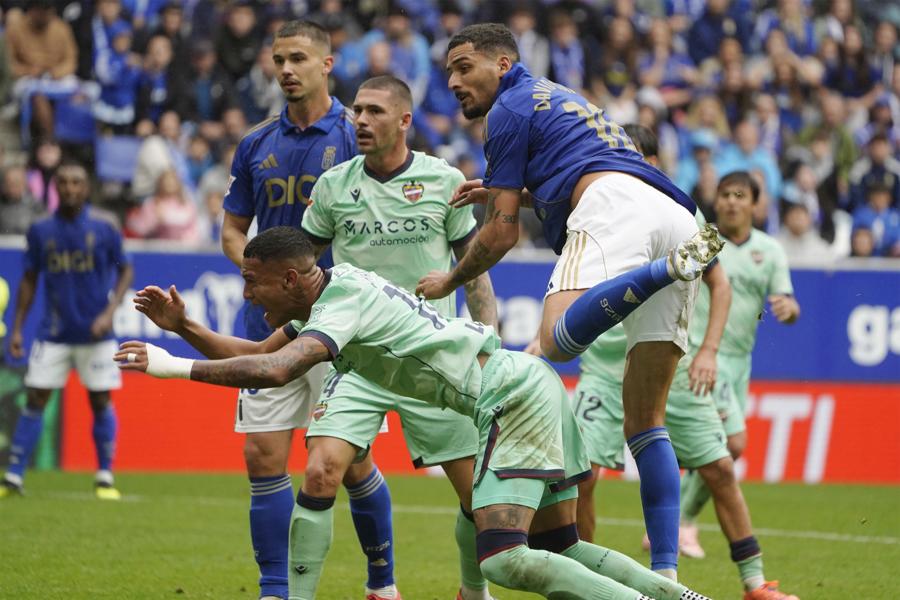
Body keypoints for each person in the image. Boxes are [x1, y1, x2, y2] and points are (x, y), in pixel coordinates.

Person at [118, 225, 717, 600]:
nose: (248, 294)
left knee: (504, 558)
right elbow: (255, 353)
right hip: (528, 384)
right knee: (560, 547)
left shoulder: (342, 301)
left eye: (254, 282)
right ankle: (679, 597)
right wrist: (184, 328)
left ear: (293, 277)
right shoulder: (332, 293)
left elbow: (276, 372)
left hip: (509, 398)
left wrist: (170, 367)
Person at [415, 22, 721, 579]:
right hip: (675, 214)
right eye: (449, 71)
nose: (453, 81)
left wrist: (450, 280)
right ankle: (667, 578)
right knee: (647, 423)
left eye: (463, 67)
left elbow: (500, 234)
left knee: (554, 341)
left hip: (614, 207)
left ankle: (659, 272)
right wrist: (521, 195)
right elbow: (575, 169)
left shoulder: (506, 111)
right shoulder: (558, 94)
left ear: (502, 64)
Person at [298, 75, 498, 600]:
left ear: (405, 120)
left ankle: (472, 592)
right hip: (358, 362)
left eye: (375, 111)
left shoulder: (443, 180)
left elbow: (474, 273)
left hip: (433, 360)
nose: (361, 120)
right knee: (320, 471)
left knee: (479, 499)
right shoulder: (333, 187)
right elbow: (300, 272)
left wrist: (489, 345)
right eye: (357, 111)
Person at [219, 20, 395, 600]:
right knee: (262, 456)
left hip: (339, 327)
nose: (286, 69)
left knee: (344, 461)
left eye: (298, 57)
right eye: (278, 60)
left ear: (327, 63)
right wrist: (260, 278)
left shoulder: (356, 133)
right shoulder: (256, 143)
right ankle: (275, 590)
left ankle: (382, 580)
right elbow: (233, 229)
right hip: (269, 324)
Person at [675, 172, 800, 599]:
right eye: (725, 195)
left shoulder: (770, 250)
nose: (731, 202)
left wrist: (789, 308)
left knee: (723, 450)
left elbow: (789, 301)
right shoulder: (705, 240)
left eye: (740, 195)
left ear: (754, 204)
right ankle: (682, 523)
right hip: (700, 354)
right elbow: (674, 278)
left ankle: (680, 523)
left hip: (738, 362)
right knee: (734, 444)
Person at [0, 160, 133, 499]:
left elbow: (126, 270)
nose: (70, 188)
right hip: (54, 331)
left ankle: (104, 476)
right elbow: (29, 279)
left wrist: (110, 312)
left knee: (100, 400)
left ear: (86, 188)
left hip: (96, 333)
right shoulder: (41, 229)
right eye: (63, 182)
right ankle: (13, 477)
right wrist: (17, 328)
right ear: (55, 187)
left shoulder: (105, 225)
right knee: (35, 398)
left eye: (76, 182)